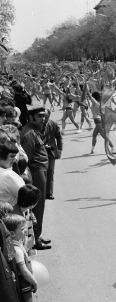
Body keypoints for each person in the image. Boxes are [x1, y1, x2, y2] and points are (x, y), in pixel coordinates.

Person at [4, 214, 41, 302]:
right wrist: (34, 281)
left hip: (19, 288)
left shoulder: (13, 245)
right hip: (24, 288)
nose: (25, 231)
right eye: (22, 228)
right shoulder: (17, 249)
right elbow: (24, 271)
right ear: (12, 233)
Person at [20, 106, 50, 250]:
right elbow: (27, 158)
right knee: (38, 206)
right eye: (39, 116)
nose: (43, 119)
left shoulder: (34, 130)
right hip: (36, 172)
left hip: (40, 170)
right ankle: (35, 238)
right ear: (30, 117)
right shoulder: (30, 133)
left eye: (44, 116)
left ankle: (37, 234)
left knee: (39, 206)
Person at [42, 109, 63, 200]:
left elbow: (59, 137)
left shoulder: (54, 124)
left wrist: (59, 150)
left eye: (46, 117)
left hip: (51, 151)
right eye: (42, 116)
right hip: (40, 151)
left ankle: (49, 192)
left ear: (49, 116)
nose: (44, 119)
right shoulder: (36, 125)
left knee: (50, 170)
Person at [0, 140, 25, 207]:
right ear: (1, 157)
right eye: (11, 156)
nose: (15, 159)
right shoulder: (8, 175)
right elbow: (27, 197)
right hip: (9, 215)